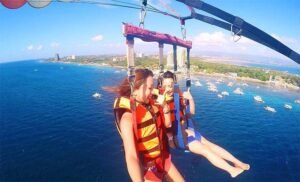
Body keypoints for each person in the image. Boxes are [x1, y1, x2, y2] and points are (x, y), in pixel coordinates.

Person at [159, 71, 250, 178]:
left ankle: (237, 162)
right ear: (161, 85)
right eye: (165, 86)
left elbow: (190, 114)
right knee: (205, 150)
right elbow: (167, 125)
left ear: (175, 84)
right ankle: (231, 170)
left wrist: (190, 99)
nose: (168, 89)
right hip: (176, 138)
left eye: (171, 85)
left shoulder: (178, 96)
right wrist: (165, 107)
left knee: (211, 145)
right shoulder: (159, 101)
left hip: (186, 131)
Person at [108, 69, 185, 182]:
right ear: (136, 88)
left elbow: (167, 124)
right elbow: (131, 156)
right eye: (149, 88)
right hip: (147, 168)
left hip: (162, 159)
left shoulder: (150, 103)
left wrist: (165, 107)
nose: (152, 91)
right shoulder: (128, 118)